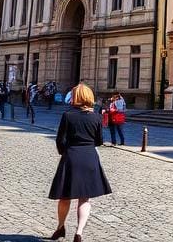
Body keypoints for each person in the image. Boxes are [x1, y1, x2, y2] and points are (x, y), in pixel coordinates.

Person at [48, 84, 112, 242]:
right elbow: (99, 141)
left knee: (65, 196)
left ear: (75, 97)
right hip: (90, 157)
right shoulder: (96, 117)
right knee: (85, 198)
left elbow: (60, 140)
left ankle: (61, 226)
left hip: (71, 156)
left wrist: (64, 152)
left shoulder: (68, 115)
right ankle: (79, 232)